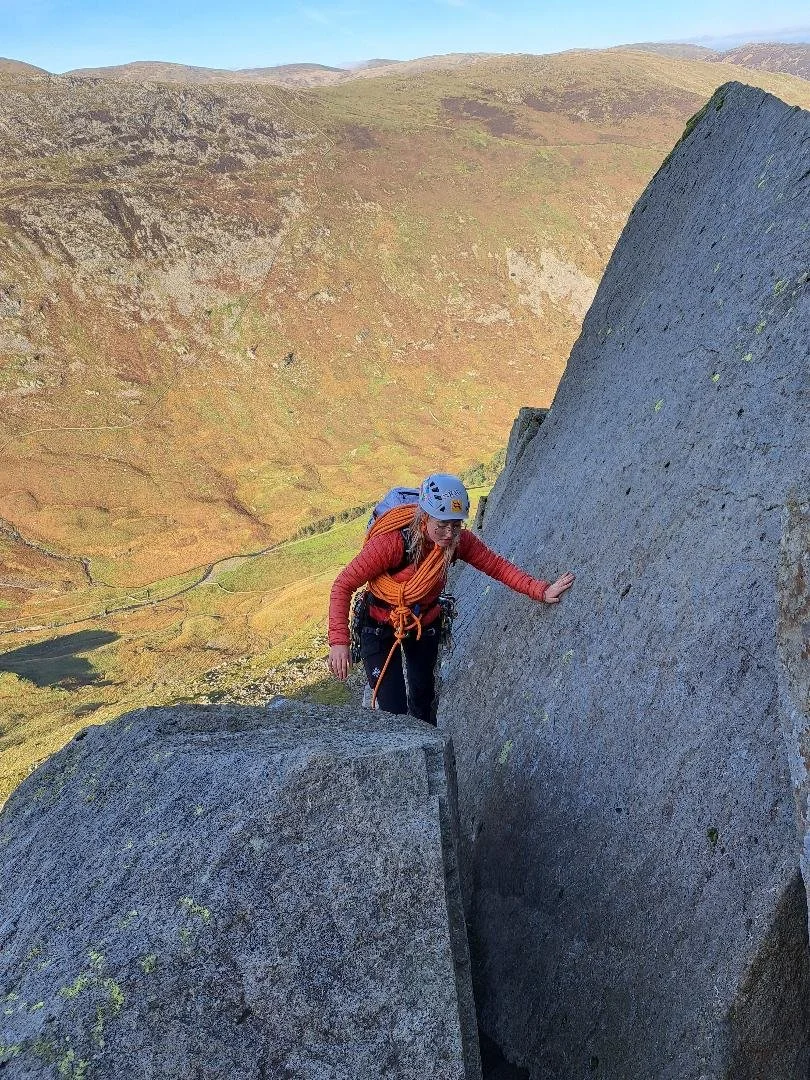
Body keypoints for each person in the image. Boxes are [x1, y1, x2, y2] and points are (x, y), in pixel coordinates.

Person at [327, 473, 574, 724]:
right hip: (379, 625)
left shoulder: (457, 542)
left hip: (423, 623)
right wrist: (339, 642)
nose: (448, 533)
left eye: (455, 525)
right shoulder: (390, 544)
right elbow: (343, 585)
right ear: (424, 518)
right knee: (394, 713)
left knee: (423, 699)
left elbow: (496, 566)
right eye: (442, 525)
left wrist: (540, 590)